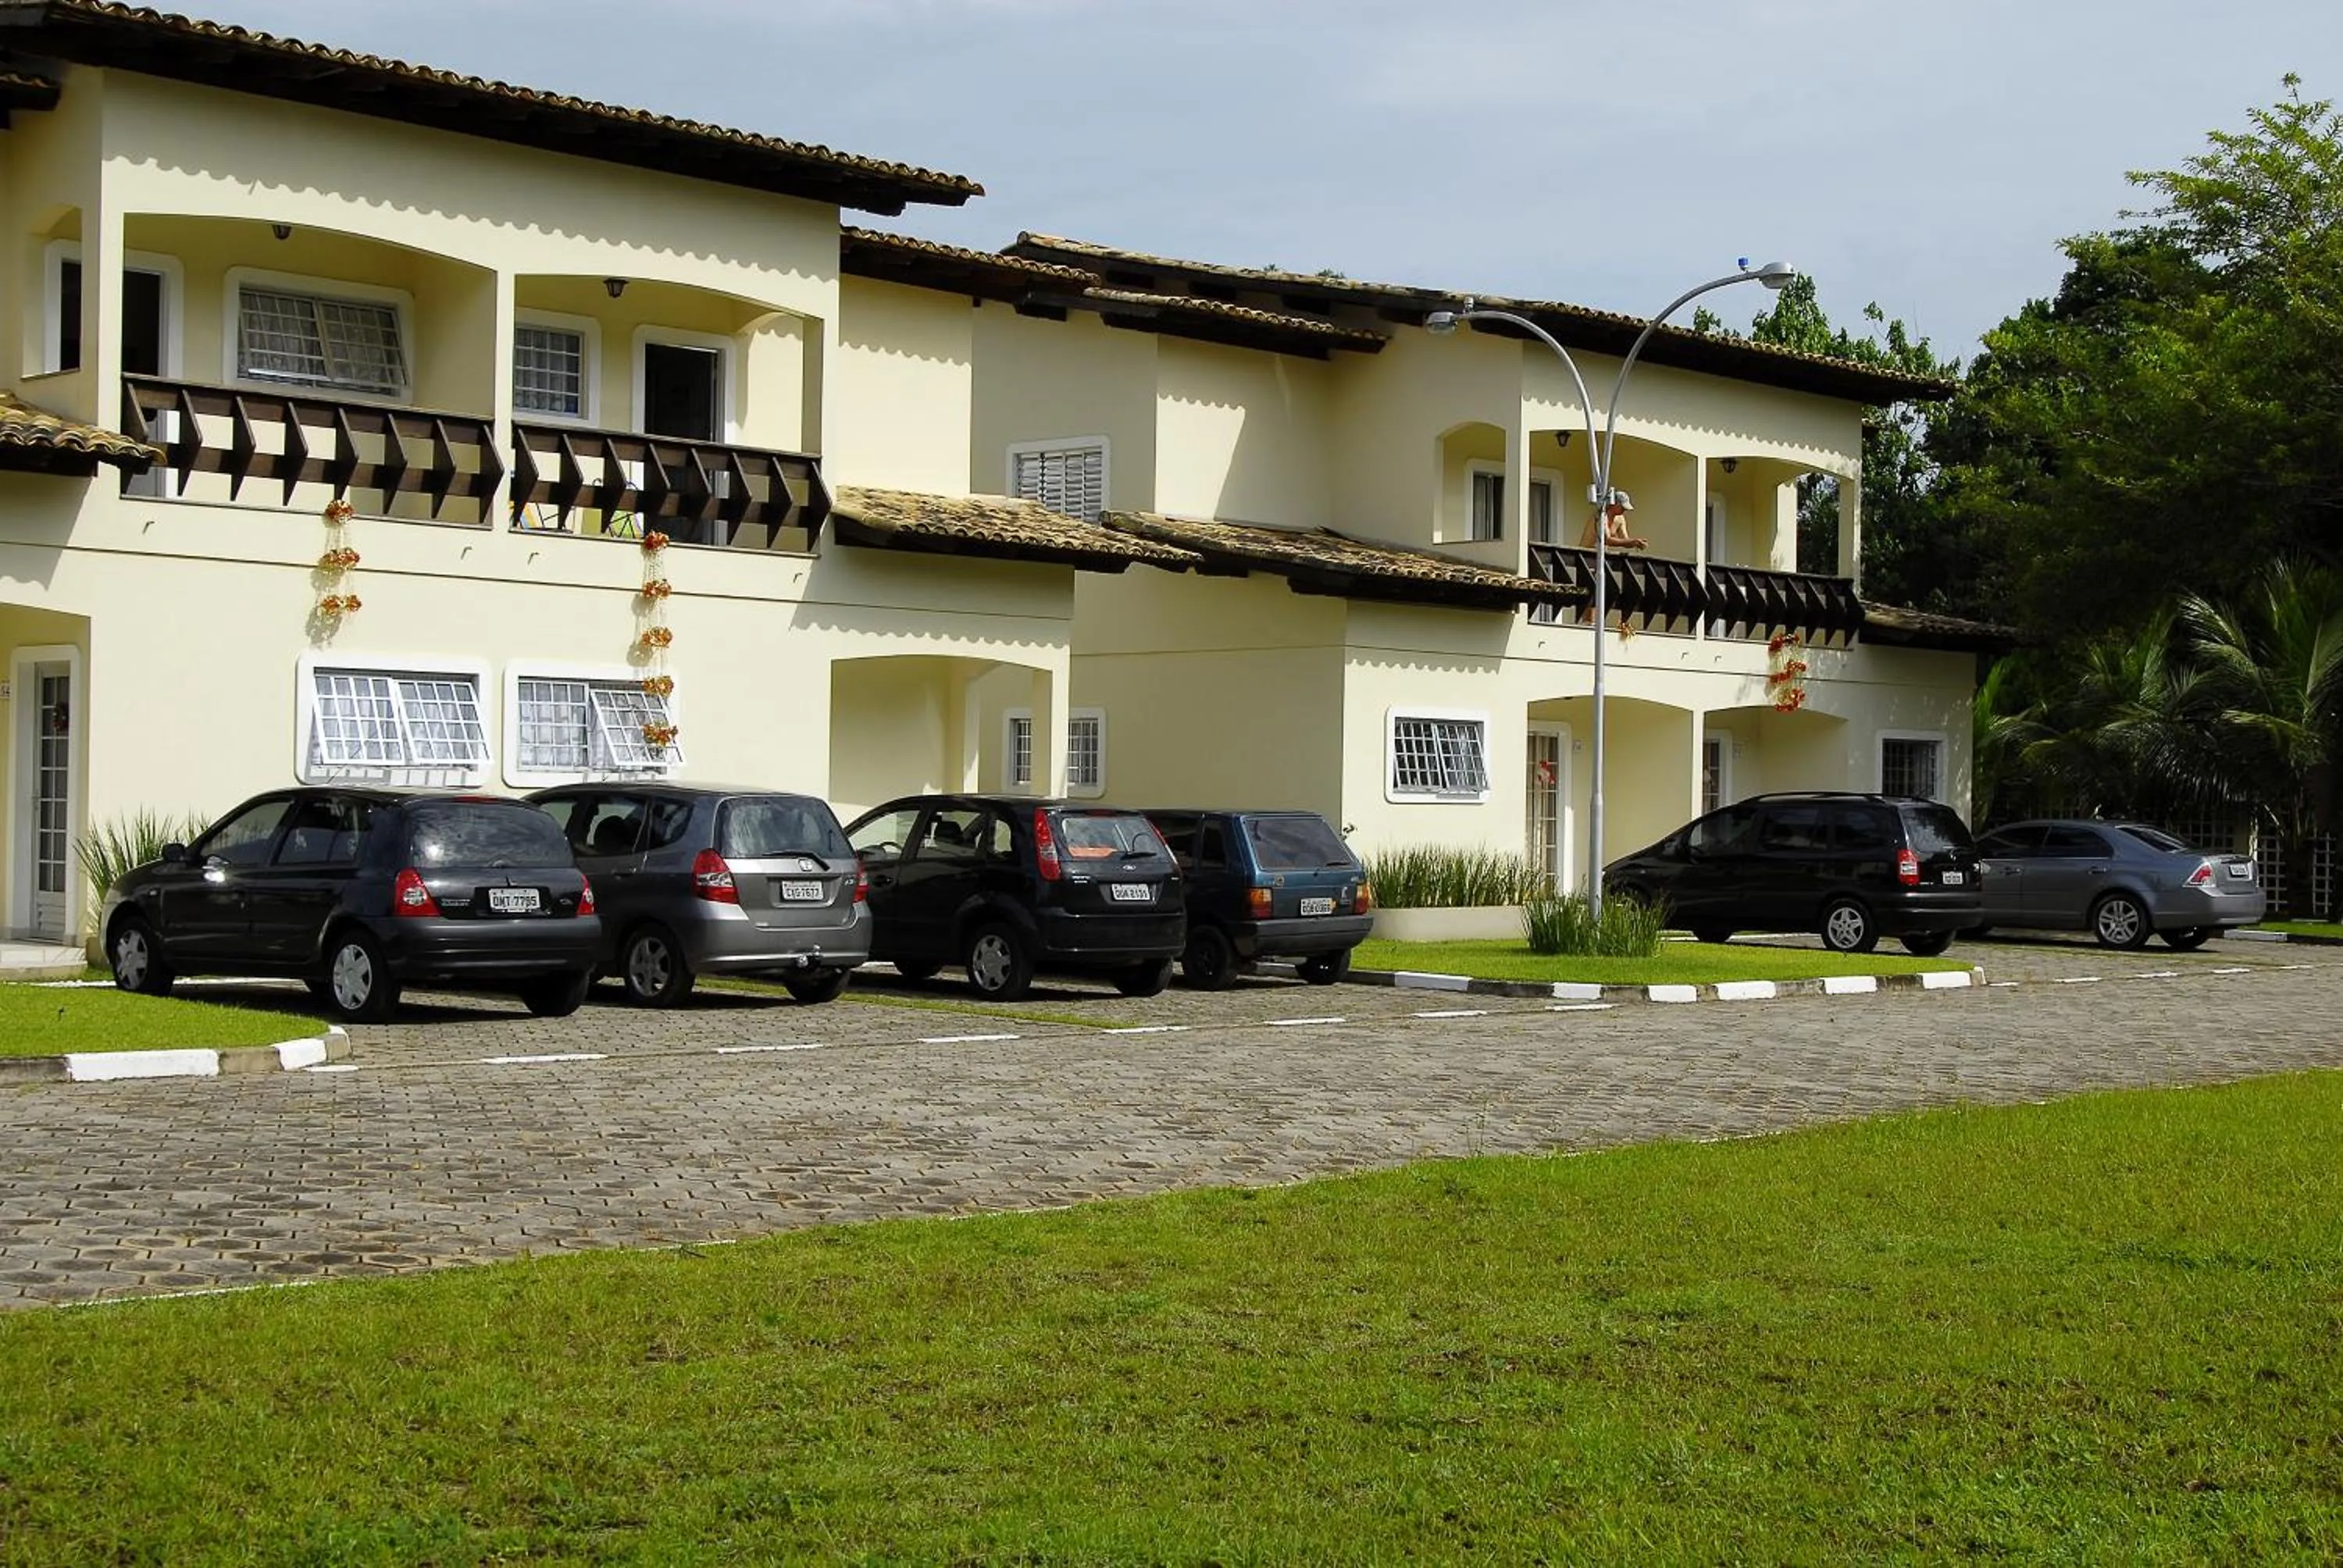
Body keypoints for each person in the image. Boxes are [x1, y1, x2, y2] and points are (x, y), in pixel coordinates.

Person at [1579, 495, 1648, 552]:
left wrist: (1637, 543)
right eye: (1622, 507)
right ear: (1614, 504)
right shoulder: (1601, 515)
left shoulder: (1620, 519)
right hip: (1586, 554)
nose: (1625, 510)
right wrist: (1632, 542)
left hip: (1601, 556)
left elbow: (1625, 540)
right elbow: (1607, 540)